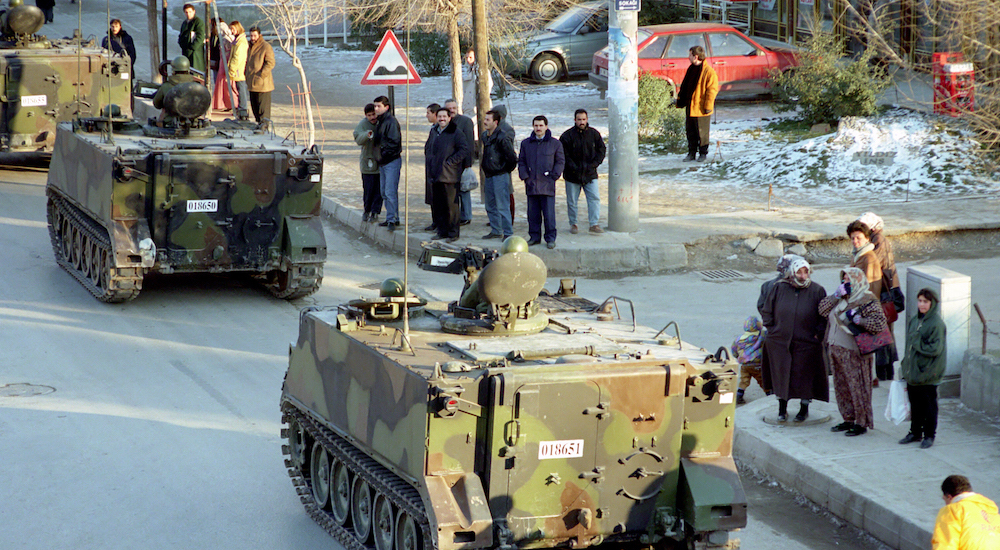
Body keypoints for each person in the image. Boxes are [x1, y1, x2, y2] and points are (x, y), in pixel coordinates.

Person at [818, 267, 888, 437]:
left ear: (858, 280)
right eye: (844, 279)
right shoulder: (841, 297)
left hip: (854, 352)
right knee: (842, 387)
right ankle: (848, 418)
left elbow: (879, 323)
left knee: (857, 387)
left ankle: (861, 422)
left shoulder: (867, 299)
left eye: (849, 279)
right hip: (835, 350)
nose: (845, 282)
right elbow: (822, 310)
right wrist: (835, 296)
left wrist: (860, 320)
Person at [760, 257, 828, 423]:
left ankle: (803, 409)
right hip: (780, 342)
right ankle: (782, 409)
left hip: (806, 343)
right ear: (792, 272)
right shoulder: (779, 288)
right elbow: (766, 310)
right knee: (781, 376)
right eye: (799, 271)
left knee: (805, 377)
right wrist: (772, 329)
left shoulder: (817, 290)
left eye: (806, 271)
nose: (803, 275)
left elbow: (823, 316)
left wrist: (818, 334)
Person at [857, 211, 904, 381]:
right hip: (883, 294)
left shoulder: (878, 241)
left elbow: (872, 264)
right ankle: (884, 374)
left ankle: (884, 376)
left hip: (883, 296)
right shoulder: (876, 240)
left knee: (883, 336)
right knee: (884, 336)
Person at [899, 288, 946, 449]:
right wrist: (905, 365)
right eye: (919, 301)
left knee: (929, 406)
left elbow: (935, 349)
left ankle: (929, 435)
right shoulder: (915, 320)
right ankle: (915, 432)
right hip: (913, 373)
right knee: (915, 404)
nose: (922, 304)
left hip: (928, 373)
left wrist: (917, 341)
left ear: (932, 303)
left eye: (925, 301)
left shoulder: (936, 323)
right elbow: (908, 346)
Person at [518, 115, 564, 250]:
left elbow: (560, 161)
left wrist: (554, 176)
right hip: (531, 184)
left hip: (547, 184)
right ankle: (534, 237)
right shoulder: (526, 144)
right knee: (533, 214)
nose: (538, 128)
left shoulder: (555, 144)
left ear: (546, 126)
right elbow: (521, 161)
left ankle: (550, 238)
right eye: (536, 125)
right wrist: (525, 176)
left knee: (549, 215)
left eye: (541, 125)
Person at [424, 107, 470, 243]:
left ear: (449, 118)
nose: (442, 119)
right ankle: (442, 231)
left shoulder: (456, 132)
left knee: (451, 206)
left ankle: (453, 233)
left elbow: (464, 150)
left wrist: (450, 162)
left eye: (445, 116)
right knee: (439, 205)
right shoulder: (434, 131)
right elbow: (428, 148)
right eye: (440, 117)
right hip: (435, 174)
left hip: (449, 175)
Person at [559, 109, 606, 235]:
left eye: (584, 119)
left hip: (590, 174)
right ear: (575, 120)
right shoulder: (566, 136)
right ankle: (573, 223)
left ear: (587, 119)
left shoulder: (594, 134)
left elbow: (601, 150)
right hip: (572, 175)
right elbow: (563, 155)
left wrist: (594, 164)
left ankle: (594, 224)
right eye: (579, 119)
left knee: (594, 199)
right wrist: (573, 167)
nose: (581, 122)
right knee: (572, 201)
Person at [931, 475, 1000, 549]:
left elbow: (945, 543)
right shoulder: (992, 511)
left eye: (944, 499)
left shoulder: (952, 509)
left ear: (949, 497)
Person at [675, 45, 718, 162]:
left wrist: (708, 106)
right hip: (690, 106)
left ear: (696, 56)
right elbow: (685, 86)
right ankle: (691, 153)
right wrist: (681, 101)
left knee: (702, 133)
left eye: (690, 55)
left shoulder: (708, 72)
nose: (688, 57)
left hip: (701, 108)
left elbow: (712, 90)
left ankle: (703, 153)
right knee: (690, 131)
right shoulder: (691, 68)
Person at [481, 109, 517, 240]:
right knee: (489, 205)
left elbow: (512, 158)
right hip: (489, 175)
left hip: (500, 175)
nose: (485, 122)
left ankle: (508, 233)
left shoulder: (502, 136)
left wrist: (504, 170)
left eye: (488, 120)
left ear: (495, 122)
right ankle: (496, 230)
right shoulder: (485, 136)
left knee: (502, 205)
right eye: (485, 119)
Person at [372, 95, 401, 231]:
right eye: (375, 106)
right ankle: (391, 217)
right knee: (384, 191)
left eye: (379, 106)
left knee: (389, 191)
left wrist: (383, 154)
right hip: (383, 162)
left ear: (386, 107)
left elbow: (394, 143)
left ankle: (393, 219)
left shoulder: (390, 122)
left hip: (390, 161)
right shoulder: (381, 121)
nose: (376, 108)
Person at [445, 99, 475, 226]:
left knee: (464, 190)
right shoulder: (445, 122)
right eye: (449, 108)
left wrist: (468, 163)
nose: (452, 110)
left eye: (453, 107)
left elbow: (469, 143)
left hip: (462, 163)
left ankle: (466, 215)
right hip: (450, 165)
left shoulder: (466, 122)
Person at [354, 103, 382, 224]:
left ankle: (375, 211)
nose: (372, 117)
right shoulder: (362, 125)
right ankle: (367, 210)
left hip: (381, 161)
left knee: (379, 190)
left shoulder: (382, 122)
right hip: (368, 162)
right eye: (369, 115)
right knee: (368, 188)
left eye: (374, 114)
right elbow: (358, 139)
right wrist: (367, 135)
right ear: (366, 116)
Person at [731, 316, 768, 405]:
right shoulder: (762, 335)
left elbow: (734, 350)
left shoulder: (739, 338)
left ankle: (739, 396)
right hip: (758, 364)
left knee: (744, 380)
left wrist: (738, 356)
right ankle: (769, 395)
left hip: (745, 365)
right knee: (762, 380)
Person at [152, 56, 197, 127]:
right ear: (188, 70)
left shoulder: (166, 86)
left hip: (170, 122)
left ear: (173, 71)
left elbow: (157, 104)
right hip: (192, 122)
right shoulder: (196, 86)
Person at [245, 26, 275, 124]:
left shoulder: (266, 46)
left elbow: (270, 62)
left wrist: (262, 75)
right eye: (251, 36)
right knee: (255, 106)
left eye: (255, 36)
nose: (252, 38)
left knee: (263, 107)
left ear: (260, 35)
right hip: (251, 81)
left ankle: (264, 125)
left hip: (262, 83)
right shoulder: (249, 46)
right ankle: (259, 123)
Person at [422, 103, 441, 232]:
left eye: (428, 113)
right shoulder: (433, 129)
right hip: (430, 168)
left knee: (439, 198)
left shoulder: (440, 130)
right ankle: (435, 221)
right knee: (432, 197)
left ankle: (440, 223)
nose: (426, 115)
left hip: (438, 169)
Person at [461, 49, 493, 127]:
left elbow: (488, 85)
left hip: (476, 107)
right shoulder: (468, 71)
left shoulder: (482, 71)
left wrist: (479, 100)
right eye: (467, 57)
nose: (468, 60)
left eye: (470, 57)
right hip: (468, 107)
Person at [227, 21, 249, 120]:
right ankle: (241, 108)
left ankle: (243, 109)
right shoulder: (237, 40)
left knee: (241, 89)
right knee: (238, 89)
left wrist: (231, 68)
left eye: (233, 29)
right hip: (236, 69)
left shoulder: (241, 42)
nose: (232, 31)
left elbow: (237, 57)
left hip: (238, 70)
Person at [209, 20, 233, 112]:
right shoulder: (213, 36)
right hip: (217, 62)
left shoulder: (225, 38)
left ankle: (228, 103)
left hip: (223, 62)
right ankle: (222, 102)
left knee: (225, 83)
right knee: (217, 82)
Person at [178, 4, 206, 74]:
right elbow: (181, 35)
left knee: (195, 72)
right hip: (185, 51)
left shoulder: (198, 22)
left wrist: (192, 47)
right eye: (186, 12)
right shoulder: (184, 23)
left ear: (194, 12)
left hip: (195, 53)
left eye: (190, 12)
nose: (188, 14)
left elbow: (200, 37)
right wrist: (181, 43)